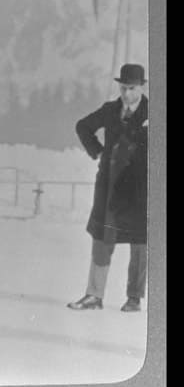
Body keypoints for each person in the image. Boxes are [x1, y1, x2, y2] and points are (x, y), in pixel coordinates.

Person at [68, 63, 148, 312]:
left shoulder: (154, 112)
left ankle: (134, 298)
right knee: (103, 239)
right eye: (123, 88)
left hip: (140, 190)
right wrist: (98, 152)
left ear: (141, 87)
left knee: (141, 242)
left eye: (131, 88)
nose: (126, 94)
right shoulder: (110, 110)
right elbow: (82, 126)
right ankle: (94, 295)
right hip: (111, 188)